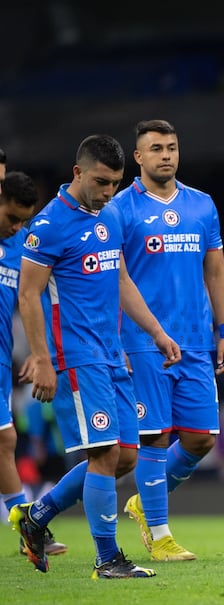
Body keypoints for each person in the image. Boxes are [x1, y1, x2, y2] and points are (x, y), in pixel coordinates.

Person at [12, 134, 181, 579]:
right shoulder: (48, 227)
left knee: (125, 456)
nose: (109, 192)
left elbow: (122, 280)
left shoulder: (110, 217)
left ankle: (36, 517)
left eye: (115, 183)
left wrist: (158, 333)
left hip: (113, 352)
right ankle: (108, 559)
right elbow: (29, 296)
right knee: (105, 454)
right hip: (77, 356)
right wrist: (43, 360)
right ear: (77, 173)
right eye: (101, 182)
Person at [111, 119, 224, 562]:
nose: (166, 155)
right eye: (156, 148)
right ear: (138, 157)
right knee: (155, 438)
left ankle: (146, 501)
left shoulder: (202, 205)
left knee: (202, 438)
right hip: (144, 343)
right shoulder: (120, 208)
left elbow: (216, 271)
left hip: (197, 340)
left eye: (173, 147)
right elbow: (118, 280)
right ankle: (160, 534)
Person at [0, 168, 68, 558]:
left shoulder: (22, 246)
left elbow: (35, 299)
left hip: (2, 360)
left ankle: (27, 528)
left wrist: (38, 353)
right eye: (12, 218)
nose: (17, 227)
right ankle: (28, 527)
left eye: (24, 221)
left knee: (5, 440)